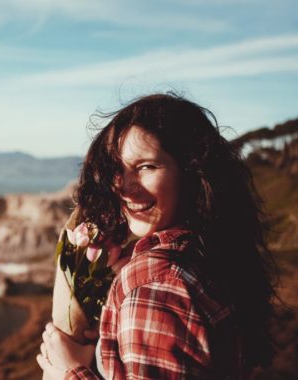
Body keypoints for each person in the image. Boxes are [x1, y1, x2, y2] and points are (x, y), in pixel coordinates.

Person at [37, 93, 277, 379]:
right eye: (117, 169)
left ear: (191, 172)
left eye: (146, 167)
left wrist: (70, 371)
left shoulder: (157, 285)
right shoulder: (209, 255)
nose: (124, 188)